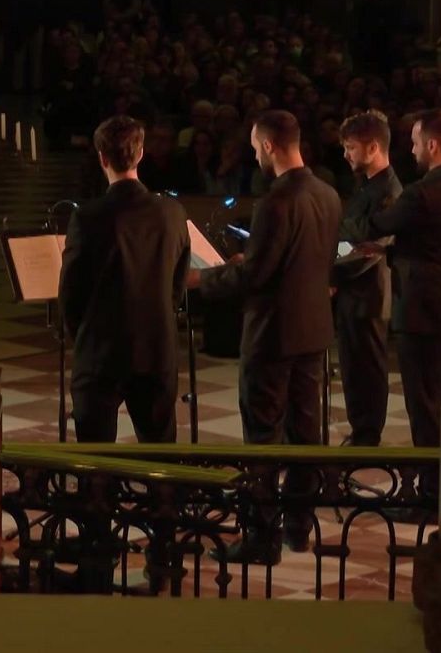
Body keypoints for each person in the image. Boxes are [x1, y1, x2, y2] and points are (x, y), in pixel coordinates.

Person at [195, 110, 341, 564]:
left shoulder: (275, 203)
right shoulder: (328, 194)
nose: (254, 154)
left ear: (271, 146)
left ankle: (261, 538)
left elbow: (257, 275)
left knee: (263, 438)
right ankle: (299, 527)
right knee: (305, 435)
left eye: (256, 147)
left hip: (273, 336)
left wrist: (208, 280)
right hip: (313, 330)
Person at [362, 109, 441, 497]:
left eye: (415, 143)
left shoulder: (422, 192)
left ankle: (430, 495)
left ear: (432, 144)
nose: (412, 150)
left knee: (425, 410)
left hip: (423, 312)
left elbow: (377, 225)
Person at [59, 115, 189, 443]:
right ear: (141, 154)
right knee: (160, 452)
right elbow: (178, 282)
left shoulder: (88, 217)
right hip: (156, 347)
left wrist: (84, 336)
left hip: (101, 350)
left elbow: (71, 292)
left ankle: (101, 496)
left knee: (96, 457)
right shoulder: (172, 213)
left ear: (102, 158)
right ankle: (161, 495)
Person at [332, 110, 402, 447]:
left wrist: (330, 270)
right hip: (352, 291)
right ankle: (361, 430)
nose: (346, 155)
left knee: (368, 369)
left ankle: (367, 435)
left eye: (350, 147)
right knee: (352, 365)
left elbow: (371, 247)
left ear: (373, 147)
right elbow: (351, 238)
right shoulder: (366, 188)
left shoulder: (387, 189)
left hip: (368, 293)